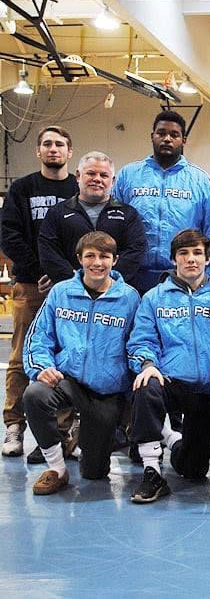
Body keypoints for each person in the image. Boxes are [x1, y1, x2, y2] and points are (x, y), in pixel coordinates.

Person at [22, 232, 140, 494]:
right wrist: (42, 367)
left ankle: (87, 436)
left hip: (106, 390)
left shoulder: (130, 299)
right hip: (67, 378)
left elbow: (139, 342)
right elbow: (38, 336)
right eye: (90, 256)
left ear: (115, 260)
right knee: (35, 394)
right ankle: (56, 468)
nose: (97, 263)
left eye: (104, 257)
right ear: (79, 259)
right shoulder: (60, 293)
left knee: (94, 473)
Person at [126, 229, 210, 503]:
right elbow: (141, 340)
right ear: (174, 259)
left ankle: (170, 438)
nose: (191, 259)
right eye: (183, 253)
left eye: (197, 253)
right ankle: (151, 471)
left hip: (208, 392)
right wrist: (148, 363)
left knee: (192, 470)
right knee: (146, 383)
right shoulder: (154, 298)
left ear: (208, 259)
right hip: (170, 382)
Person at [1, 126, 77, 459]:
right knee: (20, 356)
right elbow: (9, 236)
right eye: (47, 144)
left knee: (65, 356)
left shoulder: (78, 187)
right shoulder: (22, 188)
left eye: (60, 144)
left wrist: (63, 276)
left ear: (69, 152)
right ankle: (14, 426)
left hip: (69, 287)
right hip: (31, 285)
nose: (53, 149)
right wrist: (40, 271)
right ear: (38, 151)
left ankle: (63, 430)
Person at [113, 110, 210, 292]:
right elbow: (113, 226)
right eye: (161, 133)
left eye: (174, 135)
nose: (167, 139)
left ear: (183, 140)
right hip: (132, 276)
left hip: (183, 276)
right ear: (152, 136)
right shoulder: (128, 175)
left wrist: (208, 277)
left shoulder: (201, 180)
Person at [38, 151, 146, 290]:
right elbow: (48, 250)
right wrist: (73, 280)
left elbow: (136, 250)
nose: (97, 179)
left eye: (104, 175)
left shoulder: (128, 214)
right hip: (69, 291)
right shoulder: (58, 212)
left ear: (112, 181)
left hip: (115, 293)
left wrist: (109, 280)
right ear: (78, 176)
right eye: (91, 173)